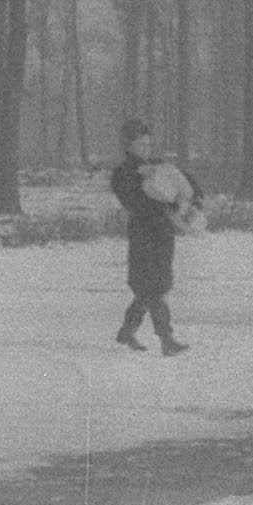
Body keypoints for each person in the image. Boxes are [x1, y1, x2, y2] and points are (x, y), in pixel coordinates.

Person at [109, 119, 202, 357]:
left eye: (148, 145)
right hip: (143, 233)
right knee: (152, 287)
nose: (146, 149)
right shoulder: (123, 174)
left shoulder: (158, 167)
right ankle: (166, 338)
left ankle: (127, 331)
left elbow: (185, 182)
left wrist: (192, 200)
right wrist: (166, 204)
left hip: (163, 232)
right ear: (128, 146)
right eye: (141, 145)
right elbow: (135, 204)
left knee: (153, 286)